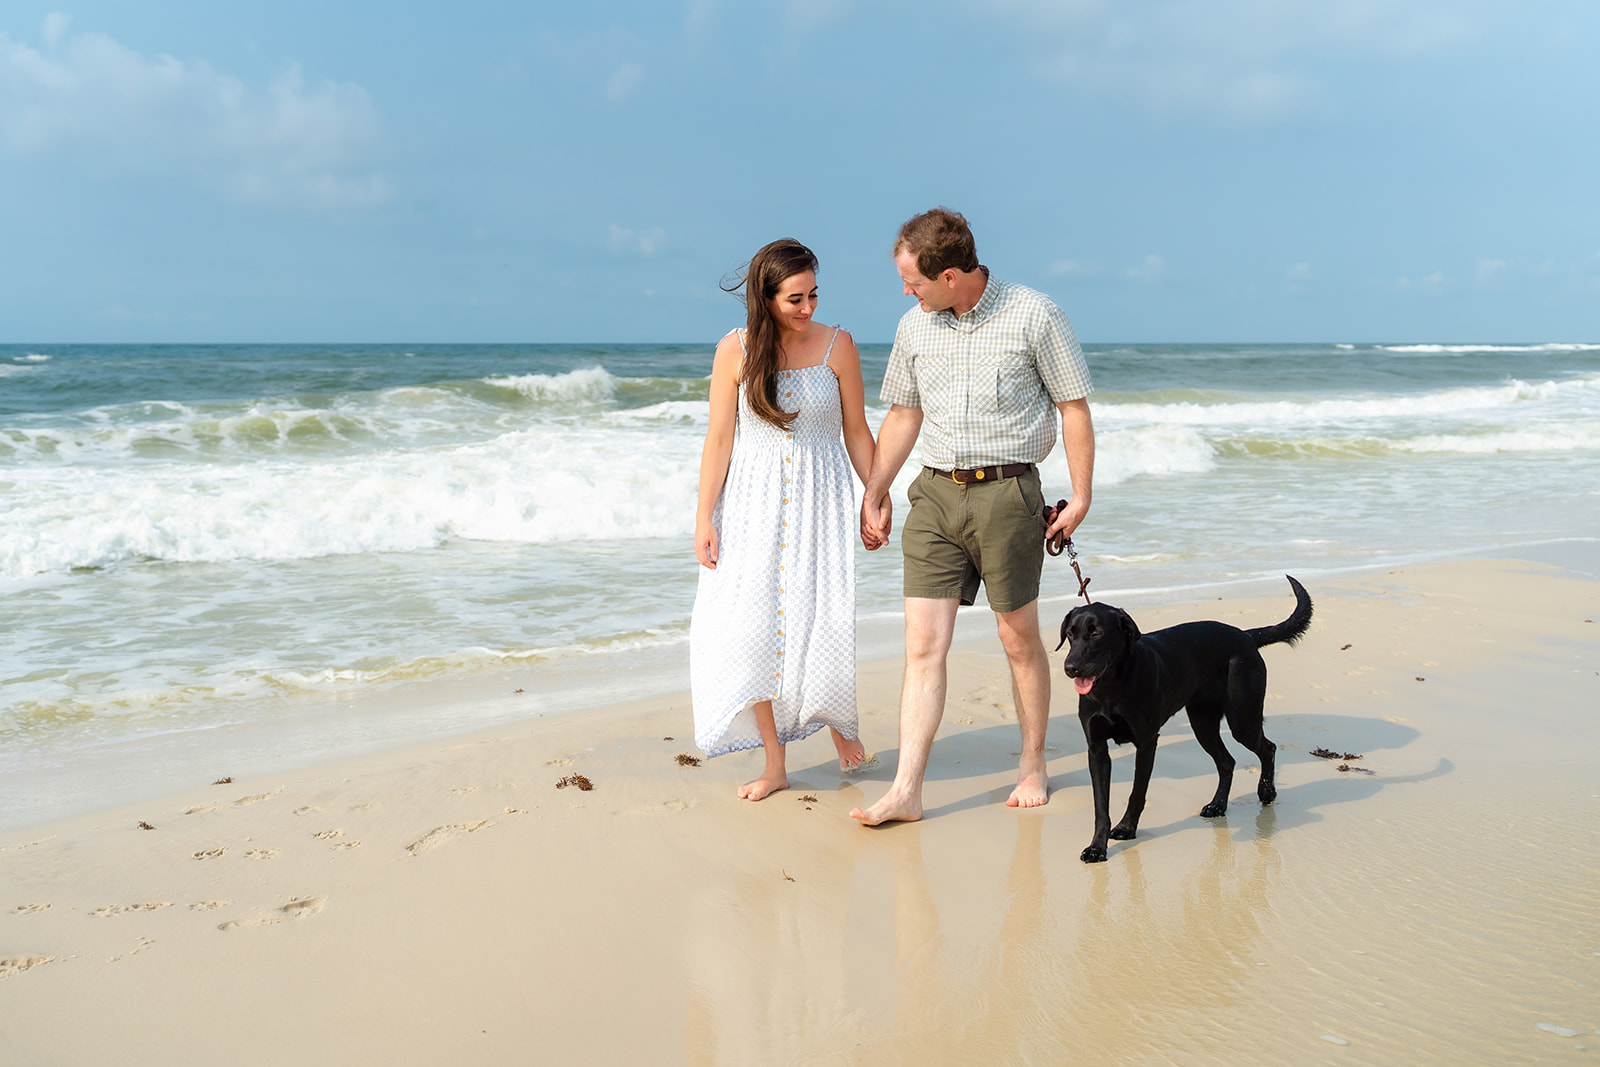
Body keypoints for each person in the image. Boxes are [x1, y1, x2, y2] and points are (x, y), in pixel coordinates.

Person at [851, 208, 1095, 825]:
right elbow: (904, 414)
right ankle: (907, 789)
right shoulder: (915, 326)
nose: (908, 292)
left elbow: (1072, 407)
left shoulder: (1035, 314)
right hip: (933, 496)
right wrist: (876, 489)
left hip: (1008, 497)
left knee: (1018, 641)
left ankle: (1033, 762)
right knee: (923, 647)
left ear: (952, 275)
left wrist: (1083, 495)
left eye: (916, 282)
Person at [690, 238, 876, 800]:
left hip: (822, 502)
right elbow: (719, 439)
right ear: (765, 298)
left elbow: (857, 432)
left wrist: (877, 495)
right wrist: (704, 516)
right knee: (753, 630)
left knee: (820, 619)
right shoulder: (736, 351)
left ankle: (842, 725)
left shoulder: (837, 345)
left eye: (814, 294)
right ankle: (776, 763)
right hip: (750, 503)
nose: (808, 308)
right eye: (795, 298)